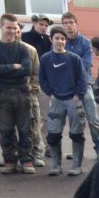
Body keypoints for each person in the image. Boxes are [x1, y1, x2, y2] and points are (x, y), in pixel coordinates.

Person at [0, 13, 34, 174]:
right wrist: (14, 66)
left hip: (22, 93)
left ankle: (26, 160)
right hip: (2, 94)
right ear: (1, 27)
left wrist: (3, 68)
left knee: (25, 129)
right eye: (8, 27)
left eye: (15, 28)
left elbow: (26, 70)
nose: (12, 31)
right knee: (6, 130)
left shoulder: (22, 49)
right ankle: (9, 161)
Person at [38, 25, 88, 176]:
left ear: (65, 41)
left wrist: (78, 95)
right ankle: (56, 165)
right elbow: (42, 79)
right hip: (56, 101)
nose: (60, 41)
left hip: (73, 100)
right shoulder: (46, 59)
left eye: (62, 39)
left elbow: (82, 79)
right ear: (51, 39)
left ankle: (76, 166)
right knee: (52, 135)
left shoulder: (74, 59)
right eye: (57, 38)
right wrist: (50, 94)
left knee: (77, 134)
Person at [61, 12, 99, 157]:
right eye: (65, 23)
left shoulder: (86, 43)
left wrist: (68, 64)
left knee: (93, 119)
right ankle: (77, 152)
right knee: (74, 121)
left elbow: (86, 64)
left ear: (76, 24)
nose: (68, 25)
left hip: (84, 86)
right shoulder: (61, 41)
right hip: (67, 88)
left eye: (71, 22)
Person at [15, 21, 46, 169]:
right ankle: (15, 155)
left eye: (17, 30)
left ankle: (36, 154)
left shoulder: (30, 50)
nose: (15, 33)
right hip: (9, 93)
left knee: (33, 125)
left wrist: (33, 89)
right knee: (11, 127)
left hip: (28, 94)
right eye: (11, 29)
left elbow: (36, 73)